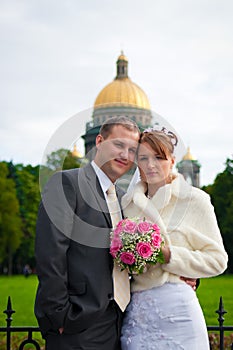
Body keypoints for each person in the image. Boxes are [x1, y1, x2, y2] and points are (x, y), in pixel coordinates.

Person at [34, 116, 140, 350]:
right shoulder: (67, 183)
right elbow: (50, 253)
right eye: (119, 145)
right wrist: (59, 316)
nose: (125, 155)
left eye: (132, 150)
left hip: (118, 323)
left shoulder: (124, 200)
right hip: (77, 324)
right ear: (99, 142)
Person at [120, 127, 228, 350]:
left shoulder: (194, 200)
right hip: (138, 314)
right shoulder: (127, 206)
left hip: (179, 312)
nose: (151, 165)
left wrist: (170, 255)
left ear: (172, 160)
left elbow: (218, 260)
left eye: (159, 157)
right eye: (143, 158)